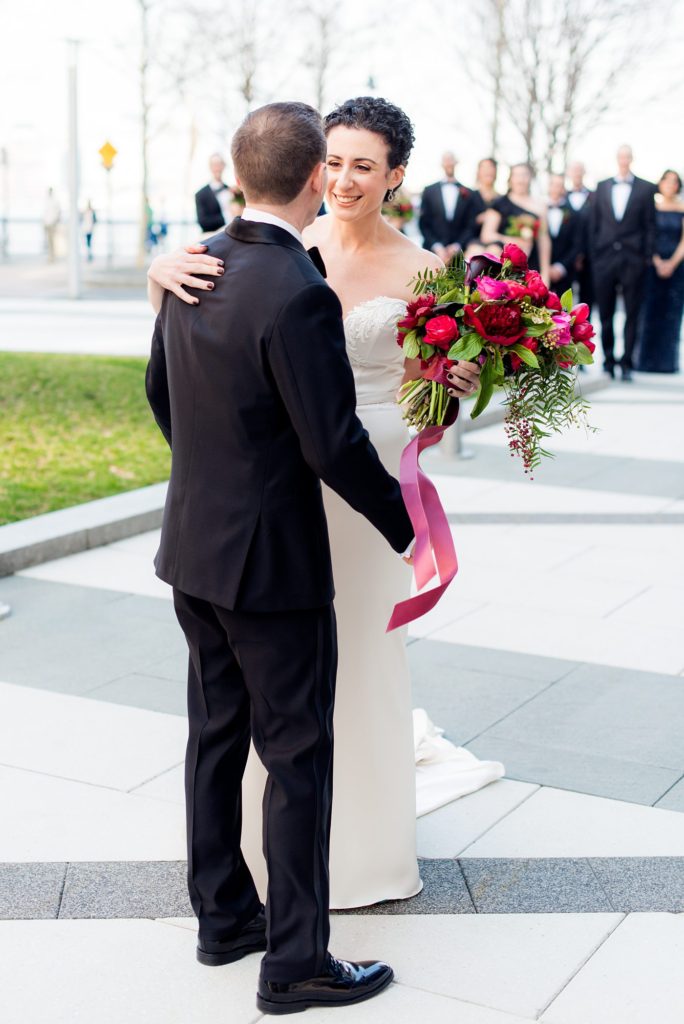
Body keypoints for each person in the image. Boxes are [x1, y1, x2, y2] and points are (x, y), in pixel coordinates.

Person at [147, 96, 489, 913]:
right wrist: (160, 278)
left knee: (361, 665)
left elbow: (431, 406)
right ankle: (278, 871)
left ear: (395, 177)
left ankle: (364, 852)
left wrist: (452, 392)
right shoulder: (276, 247)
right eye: (332, 161)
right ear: (310, 168)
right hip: (282, 492)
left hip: (371, 479)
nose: (341, 179)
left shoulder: (430, 272)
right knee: (277, 684)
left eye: (363, 165)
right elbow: (202, 361)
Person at [590, 144, 656, 380]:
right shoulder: (602, 186)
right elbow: (594, 225)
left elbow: (650, 225)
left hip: (634, 260)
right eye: (621, 156)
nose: (624, 160)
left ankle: (627, 363)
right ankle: (608, 361)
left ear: (632, 159)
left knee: (632, 313)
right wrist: (595, 256)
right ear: (617, 159)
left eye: (628, 156)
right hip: (604, 260)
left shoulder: (646, 188)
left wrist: (645, 257)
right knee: (605, 313)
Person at [636, 169, 684, 373]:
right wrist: (656, 261)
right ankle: (645, 361)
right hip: (652, 265)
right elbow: (647, 236)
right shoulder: (651, 208)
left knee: (671, 312)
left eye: (675, 182)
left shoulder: (682, 208)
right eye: (667, 181)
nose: (671, 185)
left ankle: (667, 362)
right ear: (660, 183)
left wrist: (672, 263)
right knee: (649, 311)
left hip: (677, 266)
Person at [480, 163, 551, 281]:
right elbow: (486, 235)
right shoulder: (499, 203)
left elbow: (544, 240)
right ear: (510, 179)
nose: (521, 180)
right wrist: (515, 242)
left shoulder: (540, 206)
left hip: (530, 264)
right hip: (502, 263)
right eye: (517, 175)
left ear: (530, 178)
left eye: (524, 175)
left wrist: (545, 273)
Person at [418, 150, 474, 263]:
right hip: (432, 251)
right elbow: (423, 223)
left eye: (451, 160)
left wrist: (457, 245)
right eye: (446, 160)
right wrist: (436, 246)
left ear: (456, 162)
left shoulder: (468, 193)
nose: (449, 163)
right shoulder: (429, 191)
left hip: (460, 252)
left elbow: (470, 225)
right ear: (442, 164)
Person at [566, 160, 594, 312]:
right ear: (569, 173)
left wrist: (583, 253)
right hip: (566, 257)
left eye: (579, 170)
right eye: (574, 170)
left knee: (586, 301)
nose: (577, 173)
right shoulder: (562, 197)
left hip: (588, 257)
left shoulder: (594, 197)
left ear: (584, 173)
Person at [546, 173, 580, 297]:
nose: (556, 189)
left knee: (563, 312)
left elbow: (577, 245)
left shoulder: (574, 214)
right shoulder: (538, 210)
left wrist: (560, 267)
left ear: (563, 189)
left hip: (565, 273)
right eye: (553, 185)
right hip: (540, 272)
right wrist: (546, 267)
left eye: (559, 186)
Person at [463, 157, 500, 259]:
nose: (488, 171)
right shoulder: (469, 196)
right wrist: (478, 219)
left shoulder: (501, 199)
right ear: (478, 172)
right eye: (484, 168)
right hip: (473, 241)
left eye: (491, 168)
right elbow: (463, 223)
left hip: (495, 242)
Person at [194, 152, 232, 233]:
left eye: (219, 164)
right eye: (214, 165)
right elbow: (203, 222)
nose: (217, 168)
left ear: (224, 166)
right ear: (210, 167)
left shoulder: (231, 190)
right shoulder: (200, 194)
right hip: (211, 238)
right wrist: (227, 216)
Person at [43, 187, 60, 263]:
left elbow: (57, 213)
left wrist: (54, 222)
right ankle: (50, 256)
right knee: (48, 241)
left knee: (52, 241)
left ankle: (52, 257)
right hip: (47, 223)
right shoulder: (47, 201)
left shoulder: (54, 201)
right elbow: (45, 214)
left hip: (52, 223)